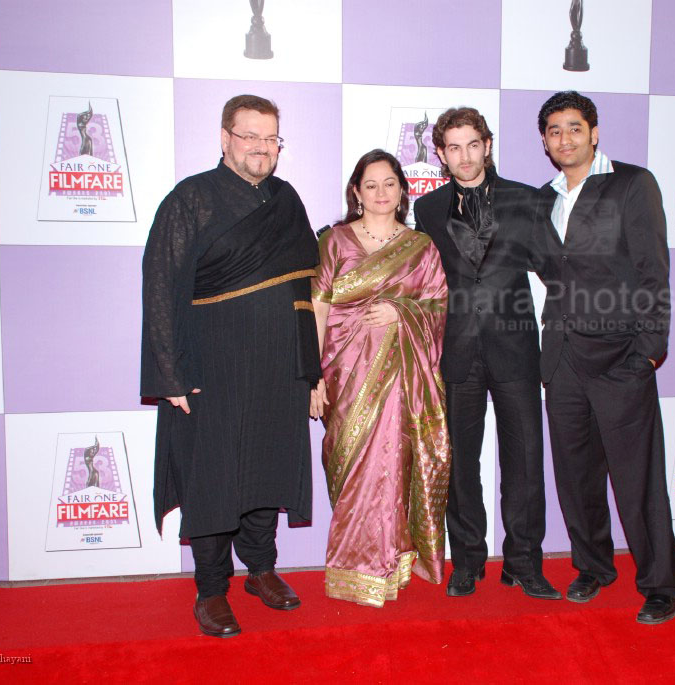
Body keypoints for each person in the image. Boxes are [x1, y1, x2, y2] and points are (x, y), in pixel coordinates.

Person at [141, 94, 320, 638]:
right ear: (225, 138)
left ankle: (261, 570)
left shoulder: (287, 200)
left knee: (266, 465)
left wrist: (309, 370)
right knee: (214, 476)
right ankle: (211, 589)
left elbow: (304, 291)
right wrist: (169, 374)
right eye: (250, 136)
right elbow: (160, 287)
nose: (262, 148)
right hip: (210, 364)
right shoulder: (190, 199)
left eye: (271, 138)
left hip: (276, 361)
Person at [532, 91, 675, 624]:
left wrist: (648, 351)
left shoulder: (632, 184)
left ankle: (662, 584)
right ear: (546, 142)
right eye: (554, 131)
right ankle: (593, 567)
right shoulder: (543, 199)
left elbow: (652, 269)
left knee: (636, 479)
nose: (565, 138)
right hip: (562, 358)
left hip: (622, 355)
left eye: (574, 127)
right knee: (575, 476)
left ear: (594, 132)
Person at [414, 108, 559, 600]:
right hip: (457, 351)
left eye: (472, 144)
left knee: (524, 461)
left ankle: (523, 562)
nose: (464, 156)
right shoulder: (428, 209)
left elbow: (557, 272)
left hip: (515, 347)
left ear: (488, 144)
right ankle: (468, 561)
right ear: (439, 154)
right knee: (459, 464)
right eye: (453, 147)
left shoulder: (525, 198)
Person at [310, 149, 450, 607]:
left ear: (403, 190)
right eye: (371, 185)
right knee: (351, 468)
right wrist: (313, 375)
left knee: (391, 468)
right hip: (345, 373)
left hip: (399, 381)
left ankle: (387, 565)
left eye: (389, 183)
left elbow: (438, 307)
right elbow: (320, 307)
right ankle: (357, 565)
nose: (381, 192)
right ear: (356, 192)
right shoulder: (334, 241)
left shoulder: (420, 247)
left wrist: (401, 312)